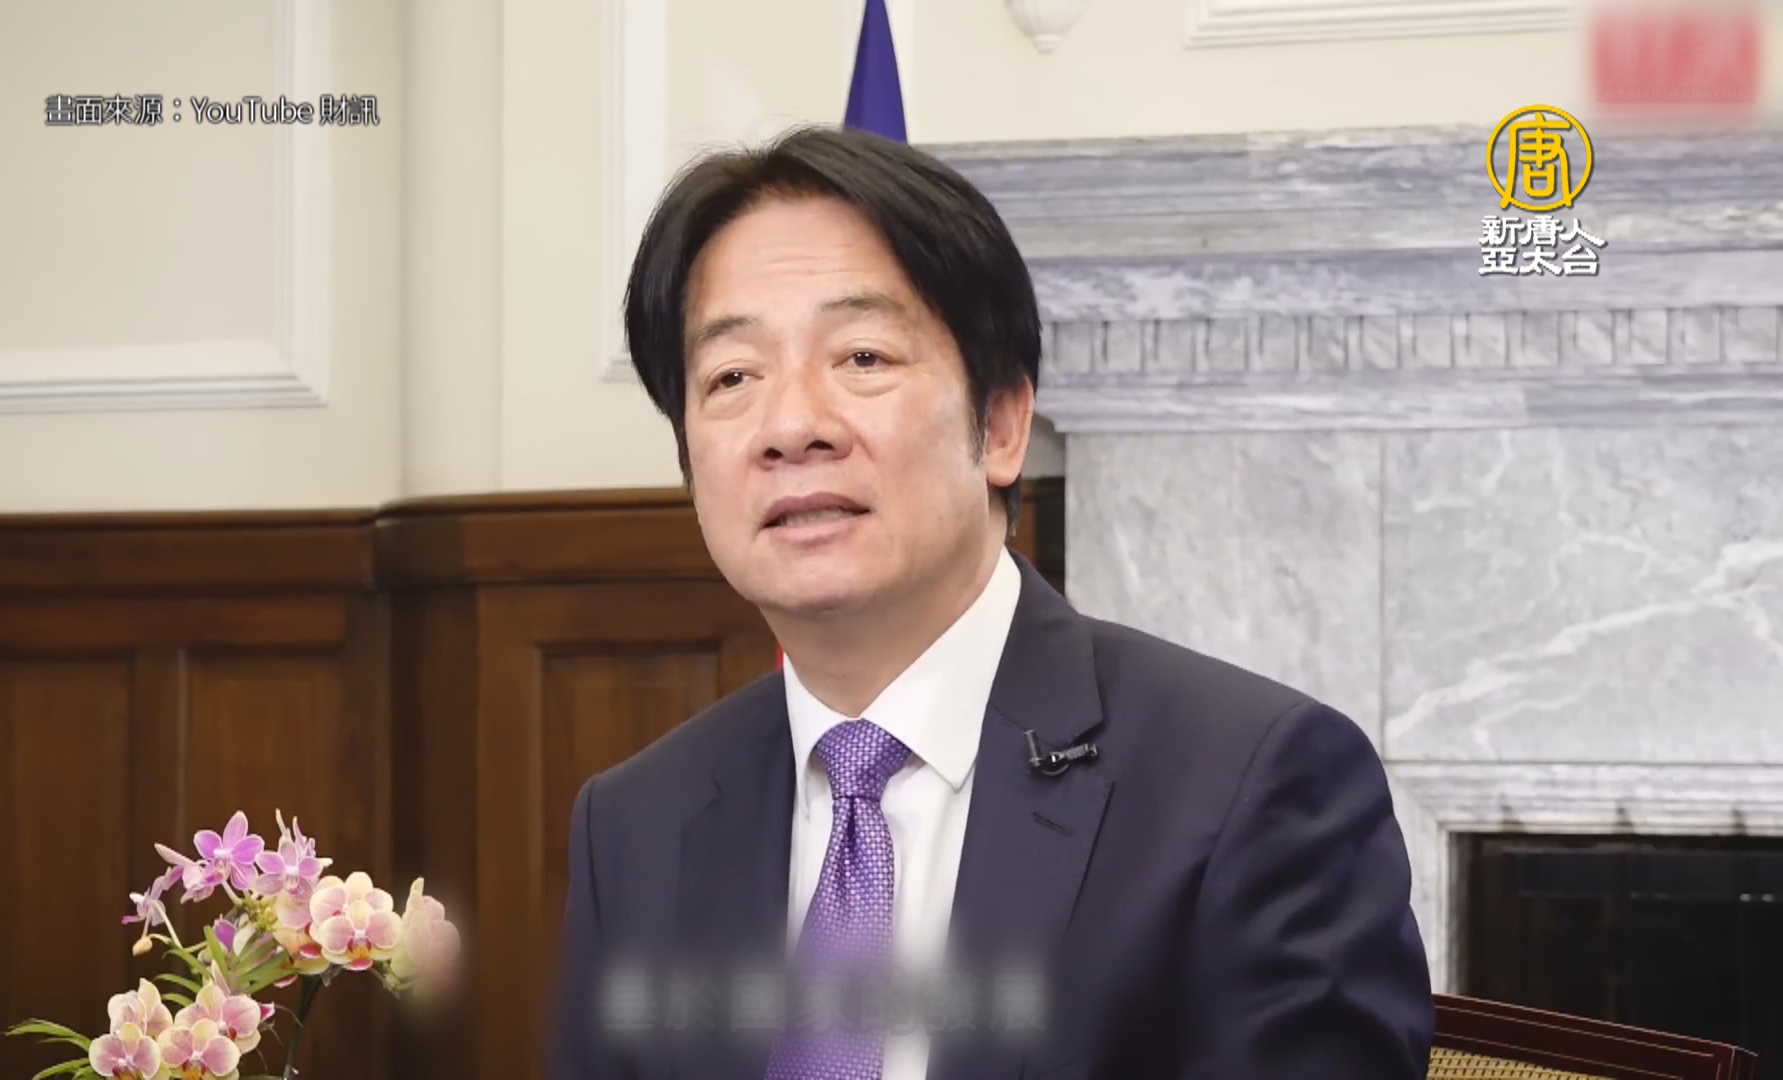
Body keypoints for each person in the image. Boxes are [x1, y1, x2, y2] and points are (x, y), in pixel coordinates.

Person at [548, 125, 1432, 1080]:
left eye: (862, 358)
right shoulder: (635, 825)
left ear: (1003, 423)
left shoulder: (1251, 789)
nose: (791, 426)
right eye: (731, 377)